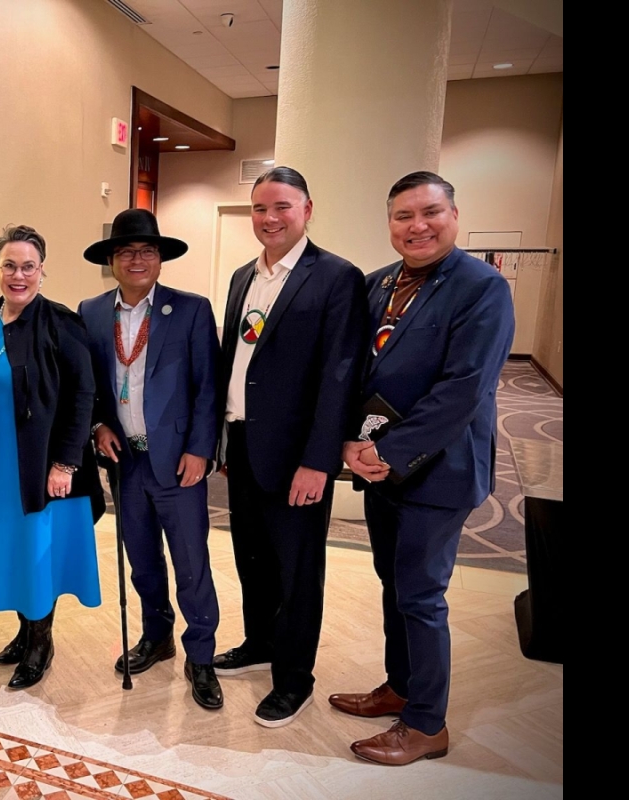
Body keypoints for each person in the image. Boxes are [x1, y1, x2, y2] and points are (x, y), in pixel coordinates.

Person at [329, 172, 515, 765]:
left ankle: (427, 723)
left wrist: (386, 451)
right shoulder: (379, 283)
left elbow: (464, 389)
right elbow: (357, 369)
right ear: (390, 225)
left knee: (422, 595)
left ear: (454, 216)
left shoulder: (483, 287)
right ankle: (401, 685)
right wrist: (349, 443)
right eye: (403, 216)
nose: (417, 226)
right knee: (394, 584)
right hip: (381, 465)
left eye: (430, 212)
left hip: (439, 472)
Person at [213, 167, 368, 727]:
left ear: (307, 209)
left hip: (298, 454)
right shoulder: (241, 278)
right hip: (244, 443)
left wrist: (318, 462)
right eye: (259, 208)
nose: (269, 218)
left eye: (282, 206)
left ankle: (294, 679)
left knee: (297, 570)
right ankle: (260, 642)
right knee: (250, 557)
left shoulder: (335, 277)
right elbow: (235, 365)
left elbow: (339, 375)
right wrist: (225, 440)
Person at [79, 209, 223, 710]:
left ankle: (200, 654)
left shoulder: (191, 310)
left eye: (146, 251)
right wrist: (97, 425)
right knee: (142, 561)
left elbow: (209, 388)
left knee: (191, 564)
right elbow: (89, 386)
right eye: (126, 252)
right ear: (113, 262)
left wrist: (201, 449)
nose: (136, 259)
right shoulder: (92, 312)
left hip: (178, 461)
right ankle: (156, 635)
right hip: (127, 462)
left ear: (159, 259)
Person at [0, 224, 103, 690]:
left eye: (28, 266)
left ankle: (42, 643)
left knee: (39, 556)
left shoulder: (61, 323)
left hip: (41, 469)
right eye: (9, 266)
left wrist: (65, 464)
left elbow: (83, 395)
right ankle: (25, 633)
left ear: (42, 271)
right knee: (16, 553)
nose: (18, 275)